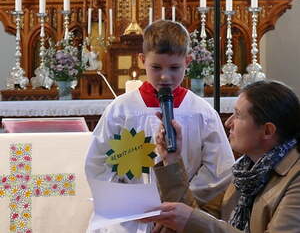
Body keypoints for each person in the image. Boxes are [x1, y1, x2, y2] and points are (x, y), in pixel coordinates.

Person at [84, 20, 235, 233]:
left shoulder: (202, 112)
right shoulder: (121, 110)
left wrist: (181, 201)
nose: (165, 76)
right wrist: (128, 200)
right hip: (129, 218)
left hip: (182, 213)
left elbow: (219, 169)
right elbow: (98, 163)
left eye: (174, 68)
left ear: (188, 62)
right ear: (142, 60)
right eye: (156, 67)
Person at [143, 80, 300, 233]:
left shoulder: (295, 179)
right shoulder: (245, 171)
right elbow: (200, 219)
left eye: (237, 115)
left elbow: (196, 221)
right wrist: (172, 159)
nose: (228, 123)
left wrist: (190, 219)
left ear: (267, 131)